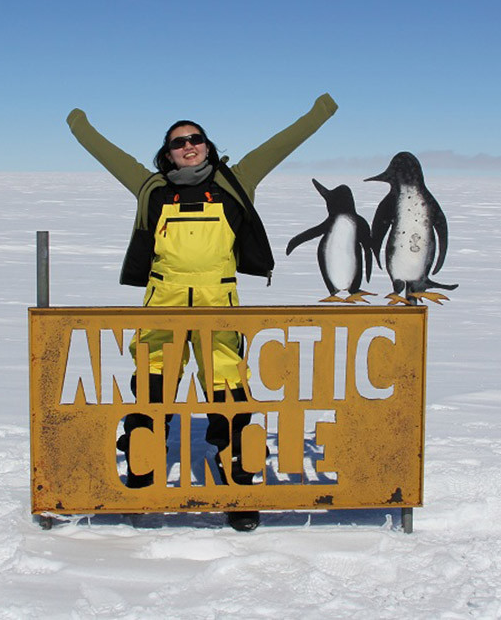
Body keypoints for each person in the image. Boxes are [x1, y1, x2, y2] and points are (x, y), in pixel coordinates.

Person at [66, 94, 338, 531]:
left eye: (195, 139)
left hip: (219, 309)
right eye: (178, 142)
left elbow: (279, 144)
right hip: (162, 307)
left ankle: (240, 487)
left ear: (208, 146)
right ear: (167, 153)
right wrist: (78, 123)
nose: (188, 146)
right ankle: (142, 473)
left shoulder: (237, 180)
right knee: (151, 389)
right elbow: (107, 153)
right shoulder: (150, 187)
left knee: (229, 395)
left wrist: (319, 112)